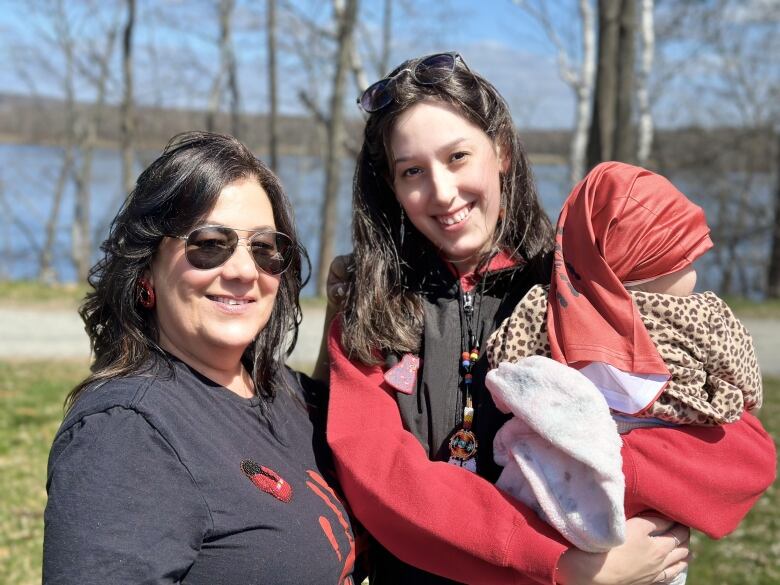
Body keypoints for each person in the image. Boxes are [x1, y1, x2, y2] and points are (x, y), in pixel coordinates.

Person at [321, 51, 776, 585]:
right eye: (413, 171)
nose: (442, 192)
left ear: (503, 153)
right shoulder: (371, 306)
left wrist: (599, 482)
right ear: (392, 188)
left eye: (458, 157)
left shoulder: (579, 288)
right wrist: (559, 564)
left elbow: (738, 451)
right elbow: (377, 477)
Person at [43, 132, 356, 585]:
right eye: (209, 244)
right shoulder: (127, 435)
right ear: (147, 266)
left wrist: (343, 316)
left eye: (265, 249)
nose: (244, 271)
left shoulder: (280, 390)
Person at [483, 161, 765, 572]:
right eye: (686, 258)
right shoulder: (707, 318)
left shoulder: (550, 305)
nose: (695, 268)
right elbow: (748, 390)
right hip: (656, 484)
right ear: (649, 260)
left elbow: (504, 360)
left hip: (561, 480)